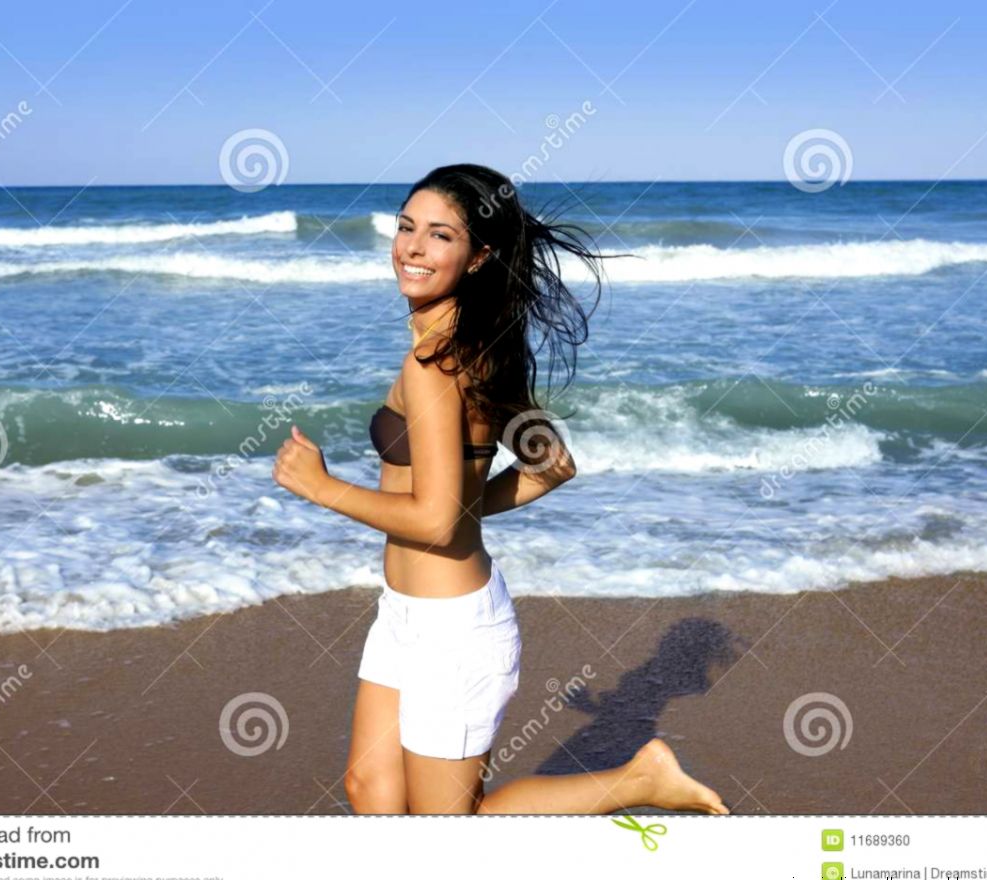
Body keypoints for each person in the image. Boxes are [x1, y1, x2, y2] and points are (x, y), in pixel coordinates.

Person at [272, 163, 728, 816]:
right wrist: (459, 510)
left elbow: (432, 521)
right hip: (403, 612)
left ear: (479, 256)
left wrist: (321, 487)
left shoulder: (435, 364)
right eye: (406, 227)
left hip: (454, 629)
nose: (413, 247)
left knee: (452, 827)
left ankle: (637, 780)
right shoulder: (484, 347)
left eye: (440, 236)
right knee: (368, 789)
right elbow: (552, 464)